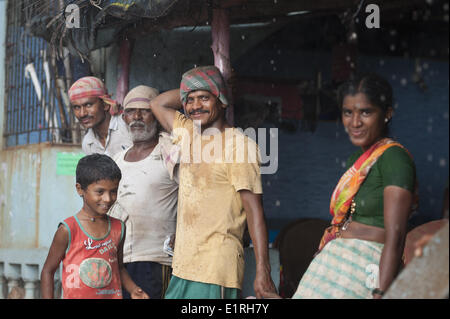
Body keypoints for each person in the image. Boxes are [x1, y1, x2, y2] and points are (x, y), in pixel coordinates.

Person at [148, 66, 277, 299]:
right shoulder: (187, 132)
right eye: (190, 100)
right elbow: (158, 104)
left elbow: (255, 213)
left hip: (215, 268)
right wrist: (194, 86)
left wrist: (262, 270)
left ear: (222, 101)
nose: (195, 106)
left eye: (204, 98)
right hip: (183, 265)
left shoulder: (240, 146)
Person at [293, 73, 417, 299]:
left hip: (368, 262)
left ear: (387, 114)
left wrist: (380, 291)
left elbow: (396, 236)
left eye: (366, 112)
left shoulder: (394, 159)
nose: (355, 122)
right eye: (348, 112)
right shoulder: (355, 162)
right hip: (337, 260)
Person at [40, 154, 149, 299]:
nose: (108, 198)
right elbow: (48, 271)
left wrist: (133, 289)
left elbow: (118, 267)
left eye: (113, 191)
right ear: (80, 189)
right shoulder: (68, 230)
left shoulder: (119, 228)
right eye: (100, 192)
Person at [108, 85, 179, 299]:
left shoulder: (170, 152)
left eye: (144, 110)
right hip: (119, 259)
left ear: (156, 115)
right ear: (124, 117)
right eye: (131, 111)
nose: (137, 116)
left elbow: (193, 196)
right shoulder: (117, 160)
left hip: (156, 257)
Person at [69, 76, 132, 157]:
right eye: (77, 107)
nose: (82, 114)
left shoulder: (126, 127)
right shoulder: (88, 143)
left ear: (105, 105)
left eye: (88, 105)